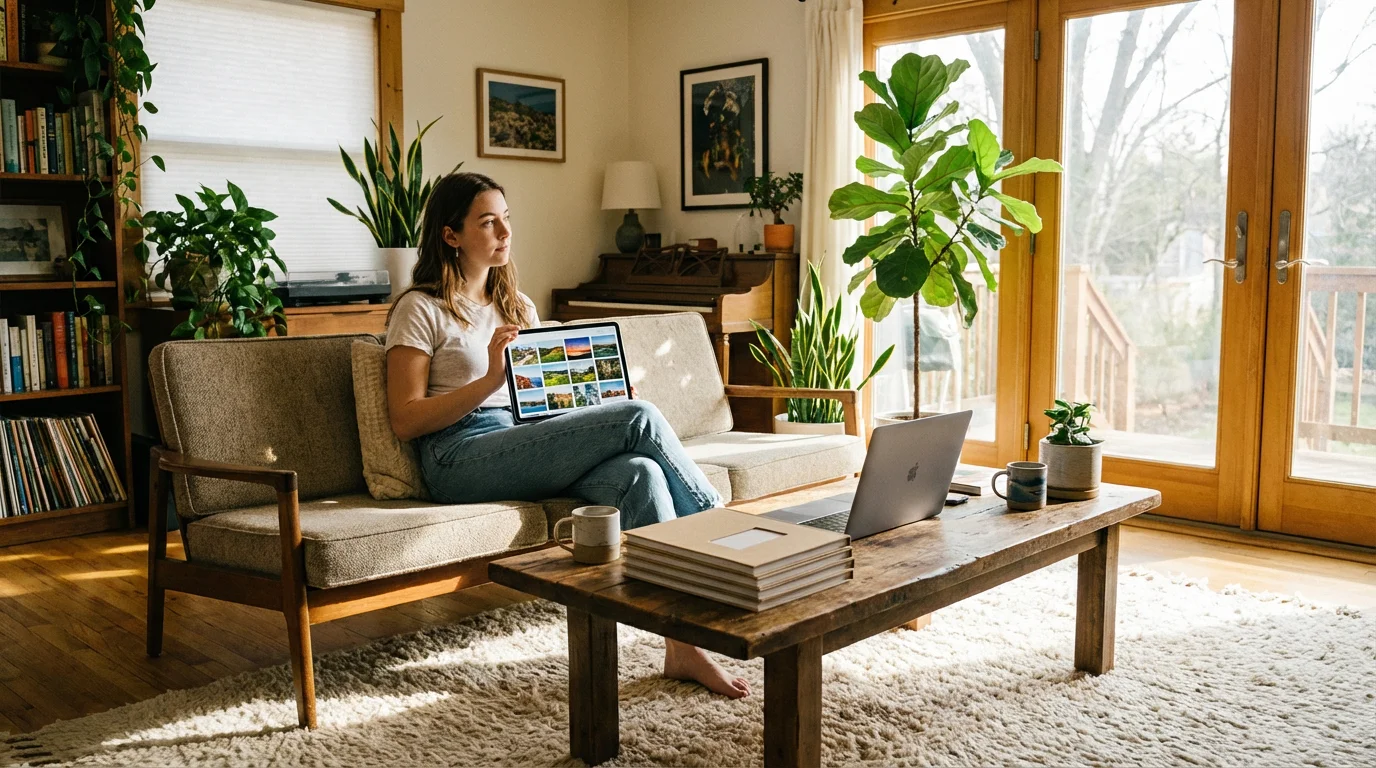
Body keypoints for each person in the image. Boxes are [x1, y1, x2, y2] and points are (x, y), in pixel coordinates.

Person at [385, 171, 749, 699]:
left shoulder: (518, 306)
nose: (504, 232)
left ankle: (682, 647)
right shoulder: (420, 308)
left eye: (506, 219)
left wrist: (584, 392)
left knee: (639, 475)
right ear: (451, 235)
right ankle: (721, 537)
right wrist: (491, 378)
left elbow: (544, 400)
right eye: (488, 222)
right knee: (638, 416)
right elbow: (406, 419)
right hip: (456, 455)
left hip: (523, 439)